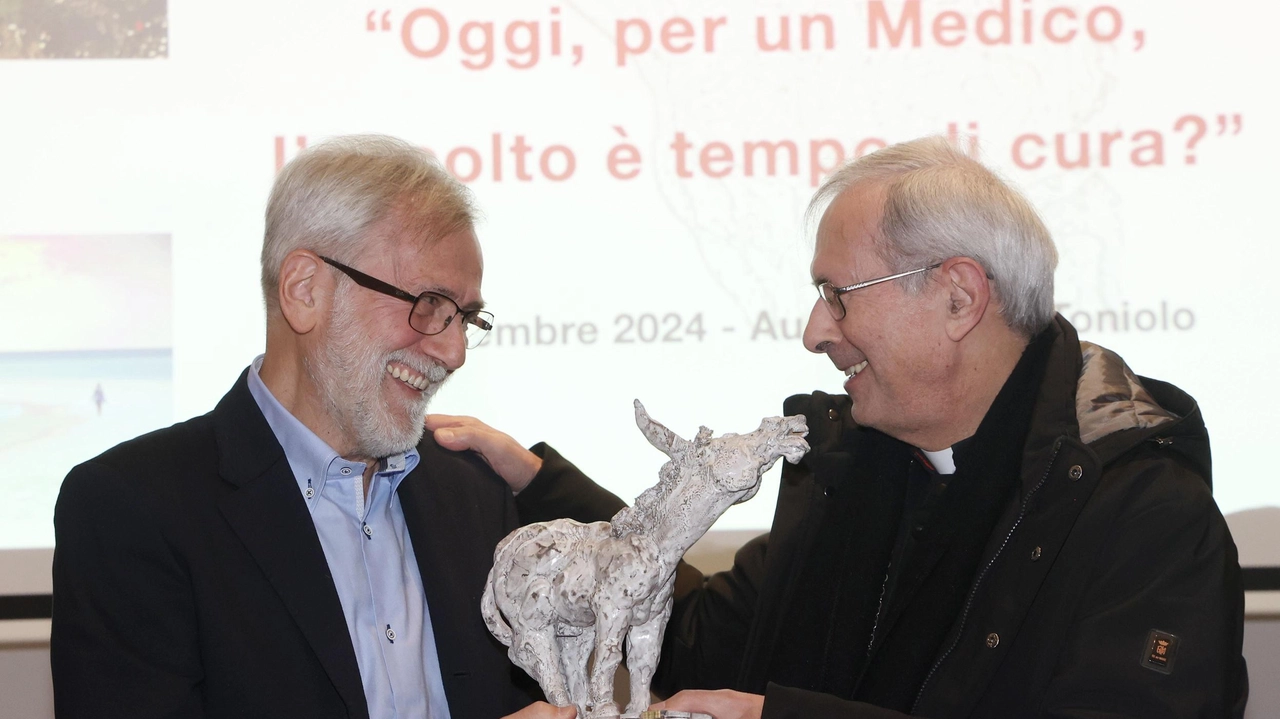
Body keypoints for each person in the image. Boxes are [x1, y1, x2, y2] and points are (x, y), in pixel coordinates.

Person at [430, 137, 1249, 718]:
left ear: (960, 298)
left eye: (838, 293)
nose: (814, 331)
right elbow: (697, 638)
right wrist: (543, 487)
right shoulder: (852, 473)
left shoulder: (1146, 519)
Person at [51, 135, 575, 719]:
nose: (454, 351)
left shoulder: (472, 495)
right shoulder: (133, 509)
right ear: (305, 291)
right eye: (428, 304)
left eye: (466, 318)